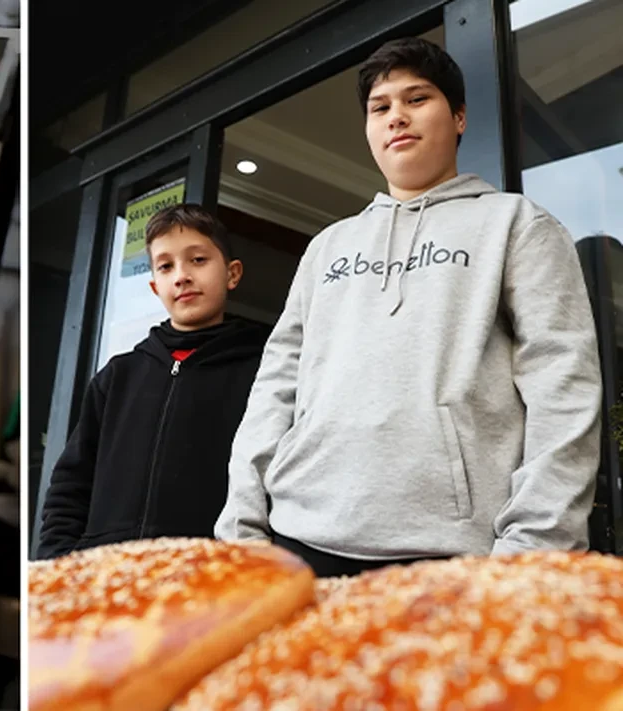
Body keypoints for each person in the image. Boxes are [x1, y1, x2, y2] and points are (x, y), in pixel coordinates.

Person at [215, 37, 603, 577]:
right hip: (296, 538)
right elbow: (277, 383)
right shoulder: (328, 246)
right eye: (381, 107)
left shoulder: (516, 226)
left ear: (460, 117)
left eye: (417, 99)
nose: (396, 116)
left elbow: (563, 387)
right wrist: (243, 524)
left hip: (455, 554)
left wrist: (533, 551)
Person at [36, 204, 268, 559]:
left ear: (232, 274)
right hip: (105, 575)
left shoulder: (263, 371)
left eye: (198, 260)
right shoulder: (117, 377)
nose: (181, 276)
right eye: (166, 266)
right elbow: (71, 482)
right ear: (154, 286)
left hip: (208, 574)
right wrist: (59, 558)